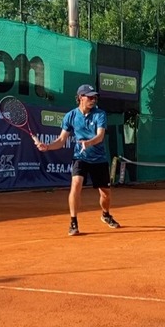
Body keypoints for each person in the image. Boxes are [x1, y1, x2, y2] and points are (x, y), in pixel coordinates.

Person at [35, 84, 121, 236]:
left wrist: (88, 142)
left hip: (99, 159)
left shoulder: (100, 114)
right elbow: (61, 140)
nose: (93, 100)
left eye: (95, 97)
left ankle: (105, 214)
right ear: (81, 97)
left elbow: (100, 136)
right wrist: (47, 147)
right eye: (90, 97)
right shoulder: (71, 116)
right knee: (76, 184)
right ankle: (73, 222)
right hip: (80, 157)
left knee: (105, 194)